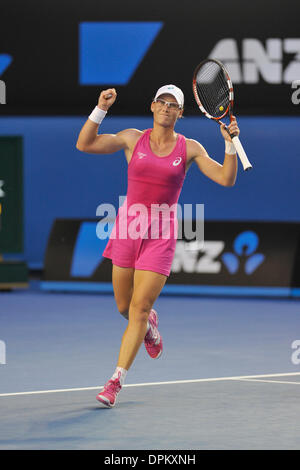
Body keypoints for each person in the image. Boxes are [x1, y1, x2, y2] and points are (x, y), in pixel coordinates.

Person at [76, 85, 239, 407]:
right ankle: (151, 328)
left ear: (180, 113)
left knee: (137, 308)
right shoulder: (132, 138)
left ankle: (115, 381)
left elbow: (225, 179)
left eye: (173, 105)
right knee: (124, 307)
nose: (167, 108)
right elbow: (85, 144)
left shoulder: (190, 148)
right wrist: (101, 109)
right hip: (127, 228)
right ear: (153, 107)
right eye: (162, 103)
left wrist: (229, 145)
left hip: (160, 235)